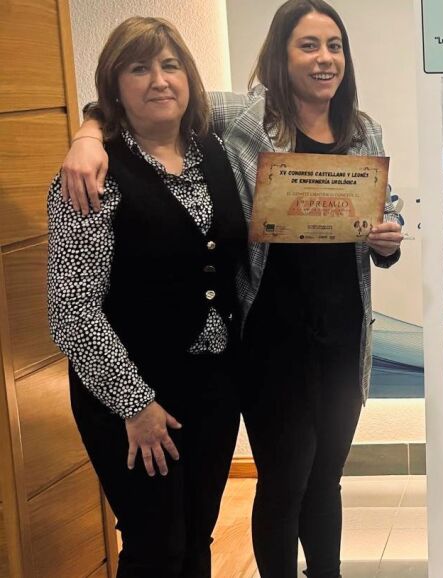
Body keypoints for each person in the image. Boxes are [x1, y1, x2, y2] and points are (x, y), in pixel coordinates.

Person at [60, 1, 405, 576]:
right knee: (273, 486)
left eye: (334, 45)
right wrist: (87, 134)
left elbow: (381, 209)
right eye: (308, 45)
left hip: (341, 337)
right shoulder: (244, 118)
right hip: (267, 339)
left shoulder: (364, 130)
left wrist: (387, 240)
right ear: (280, 56)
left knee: (319, 481)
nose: (324, 58)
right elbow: (139, 96)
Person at [46, 17, 247, 577]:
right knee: (156, 547)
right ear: (114, 86)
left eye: (170, 65)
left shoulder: (216, 150)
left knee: (198, 537)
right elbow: (72, 310)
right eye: (139, 68)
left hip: (212, 385)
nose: (159, 80)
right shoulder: (90, 175)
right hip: (129, 392)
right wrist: (135, 406)